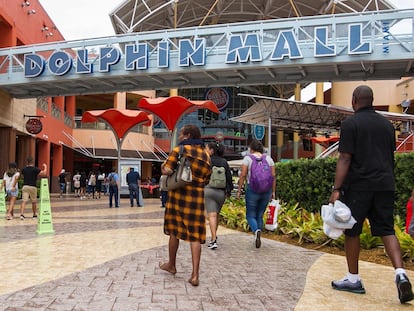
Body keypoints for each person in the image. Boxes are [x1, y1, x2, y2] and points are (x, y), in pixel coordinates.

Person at [329, 85, 413, 304]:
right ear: (372, 100)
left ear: (355, 100)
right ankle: (400, 273)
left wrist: (336, 189)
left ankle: (353, 279)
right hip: (385, 185)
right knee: (386, 229)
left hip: (359, 186)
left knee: (352, 231)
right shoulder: (387, 125)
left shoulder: (350, 124)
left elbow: (345, 158)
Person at [159, 124, 211, 286]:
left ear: (188, 135)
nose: (180, 137)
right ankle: (195, 275)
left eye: (182, 134)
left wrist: (163, 166)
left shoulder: (179, 150)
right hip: (195, 200)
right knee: (195, 236)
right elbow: (207, 180)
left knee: (174, 231)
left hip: (177, 198)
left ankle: (172, 265)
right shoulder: (206, 155)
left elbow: (167, 170)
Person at [236, 139, 276, 248]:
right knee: (259, 214)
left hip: (252, 190)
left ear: (251, 149)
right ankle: (258, 235)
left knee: (250, 215)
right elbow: (273, 176)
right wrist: (273, 192)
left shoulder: (248, 159)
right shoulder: (269, 159)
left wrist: (239, 190)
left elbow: (243, 175)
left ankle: (256, 231)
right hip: (266, 191)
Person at [204, 142, 233, 250]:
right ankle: (214, 236)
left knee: (212, 216)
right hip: (221, 193)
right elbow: (229, 178)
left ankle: (213, 239)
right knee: (216, 215)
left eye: (206, 148)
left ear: (212, 150)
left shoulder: (208, 160)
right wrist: (229, 191)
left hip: (209, 190)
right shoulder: (224, 162)